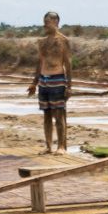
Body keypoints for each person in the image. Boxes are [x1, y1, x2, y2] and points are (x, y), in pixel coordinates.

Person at [25, 12, 72, 154]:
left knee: (59, 114)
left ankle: (61, 146)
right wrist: (34, 83)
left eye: (48, 21)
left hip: (57, 79)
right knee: (46, 115)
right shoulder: (42, 42)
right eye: (44, 21)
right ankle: (48, 145)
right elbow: (40, 62)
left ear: (56, 22)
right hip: (44, 81)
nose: (45, 24)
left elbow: (68, 63)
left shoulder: (64, 40)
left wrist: (69, 86)